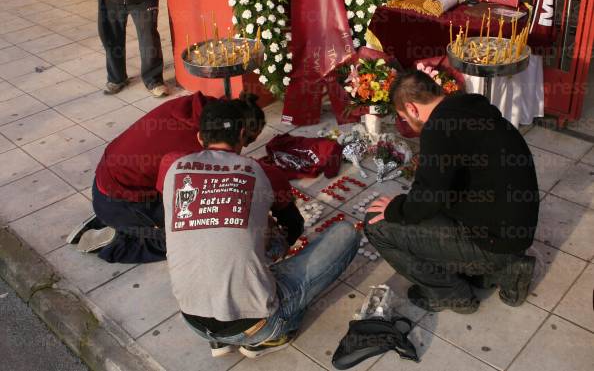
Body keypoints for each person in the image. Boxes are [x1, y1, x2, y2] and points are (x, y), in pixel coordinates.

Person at [157, 99, 360, 359]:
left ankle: (220, 338)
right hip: (255, 325)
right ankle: (269, 337)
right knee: (346, 233)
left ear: (199, 137)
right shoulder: (256, 170)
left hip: (193, 320)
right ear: (243, 134)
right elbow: (293, 225)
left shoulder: (174, 169)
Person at [365, 70, 539, 313]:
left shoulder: (439, 129)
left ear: (412, 109)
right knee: (423, 212)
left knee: (377, 225)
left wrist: (395, 208)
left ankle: (453, 295)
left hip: (493, 241)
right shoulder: (468, 108)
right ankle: (505, 269)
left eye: (403, 117)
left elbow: (426, 201)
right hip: (511, 232)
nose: (406, 123)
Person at [68, 92, 266, 264]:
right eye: (247, 140)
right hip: (120, 199)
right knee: (193, 235)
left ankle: (118, 221)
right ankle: (118, 242)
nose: (244, 147)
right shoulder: (191, 151)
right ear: (239, 133)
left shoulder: (200, 109)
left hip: (110, 184)